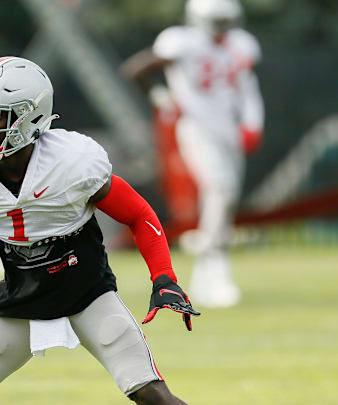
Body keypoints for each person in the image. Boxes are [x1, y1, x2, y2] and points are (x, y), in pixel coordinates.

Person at [0, 56, 200, 405]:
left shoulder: (71, 162)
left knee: (153, 395)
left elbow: (139, 214)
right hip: (20, 299)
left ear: (29, 118)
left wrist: (164, 278)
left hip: (89, 296)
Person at [120, 0, 264, 308]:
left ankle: (208, 268)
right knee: (220, 190)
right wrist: (161, 97)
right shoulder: (181, 42)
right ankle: (213, 263)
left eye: (227, 21)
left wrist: (252, 122)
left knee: (226, 197)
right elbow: (137, 68)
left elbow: (246, 85)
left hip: (229, 129)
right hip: (197, 128)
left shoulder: (241, 44)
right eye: (217, 21)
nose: (222, 28)